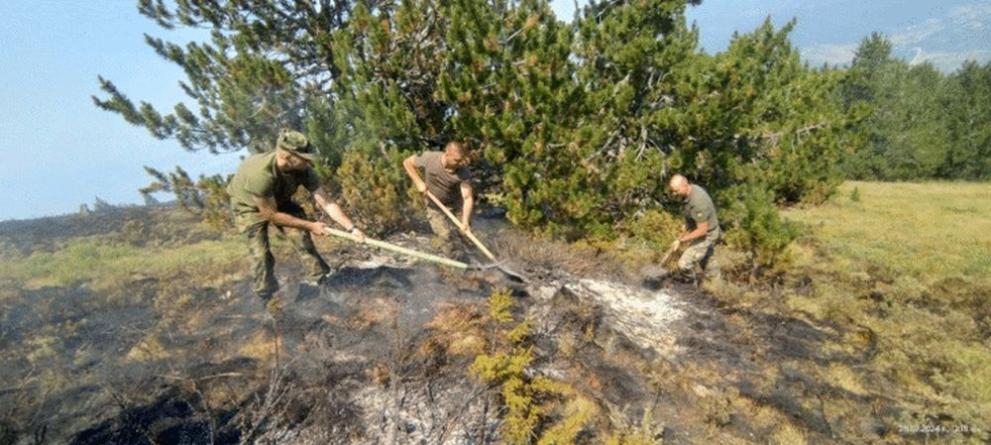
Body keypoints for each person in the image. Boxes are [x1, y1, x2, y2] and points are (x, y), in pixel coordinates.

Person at [227, 129, 365, 301]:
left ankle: (322, 281)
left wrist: (351, 228)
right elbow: (271, 214)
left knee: (302, 240)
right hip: (248, 207)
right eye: (305, 159)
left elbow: (327, 203)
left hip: (280, 201)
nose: (309, 163)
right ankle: (266, 296)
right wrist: (311, 225)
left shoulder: (304, 170)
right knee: (261, 255)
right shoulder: (261, 174)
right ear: (287, 156)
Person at [402, 141, 474, 258]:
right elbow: (407, 162)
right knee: (445, 236)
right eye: (456, 160)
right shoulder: (430, 158)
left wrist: (465, 221)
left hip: (456, 205)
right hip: (434, 206)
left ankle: (473, 257)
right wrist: (418, 182)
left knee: (466, 235)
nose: (458, 163)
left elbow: (467, 198)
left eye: (460, 160)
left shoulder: (463, 172)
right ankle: (455, 265)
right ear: (446, 154)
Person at [668, 174, 721, 280]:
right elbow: (692, 213)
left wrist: (681, 240)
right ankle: (716, 282)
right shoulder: (690, 192)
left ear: (684, 185)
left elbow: (702, 231)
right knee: (706, 259)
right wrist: (687, 224)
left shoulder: (698, 201)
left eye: (676, 190)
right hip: (702, 230)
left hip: (708, 234)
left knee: (683, 264)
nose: (674, 194)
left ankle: (692, 281)